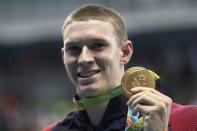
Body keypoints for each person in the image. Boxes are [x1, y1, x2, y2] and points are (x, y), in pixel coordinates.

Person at [43, 4, 197, 131]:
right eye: (73, 49)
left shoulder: (188, 121)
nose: (84, 59)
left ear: (125, 52)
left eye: (97, 46)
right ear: (63, 57)